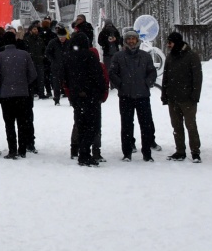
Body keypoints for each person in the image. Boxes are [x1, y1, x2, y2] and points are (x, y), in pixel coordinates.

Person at [108, 29, 158, 161]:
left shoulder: (145, 56)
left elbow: (152, 72)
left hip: (143, 96)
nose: (131, 41)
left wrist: (147, 83)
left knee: (146, 125)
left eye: (133, 39)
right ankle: (127, 152)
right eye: (128, 39)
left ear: (137, 40)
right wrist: (121, 85)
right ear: (125, 41)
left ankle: (147, 153)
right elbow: (112, 73)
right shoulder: (118, 56)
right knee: (126, 125)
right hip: (126, 96)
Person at [63, 28, 106, 166]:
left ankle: (81, 152)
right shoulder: (90, 56)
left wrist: (74, 91)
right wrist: (98, 91)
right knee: (92, 126)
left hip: (77, 97)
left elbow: (64, 77)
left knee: (80, 124)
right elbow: (98, 76)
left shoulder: (68, 57)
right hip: (90, 96)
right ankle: (85, 153)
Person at [0, 30, 39, 158]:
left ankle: (12, 150)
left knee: (9, 124)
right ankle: (22, 149)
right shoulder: (25, 55)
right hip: (23, 94)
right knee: (22, 122)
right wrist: (23, 83)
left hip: (6, 95)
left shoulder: (0, 56)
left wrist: (3, 86)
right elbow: (33, 74)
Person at [160, 31, 203, 162]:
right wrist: (164, 95)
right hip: (173, 98)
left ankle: (195, 152)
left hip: (188, 99)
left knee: (191, 126)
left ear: (177, 43)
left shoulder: (191, 56)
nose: (168, 45)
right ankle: (180, 151)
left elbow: (197, 78)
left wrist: (195, 96)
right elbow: (165, 77)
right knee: (176, 126)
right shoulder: (170, 57)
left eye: (170, 42)